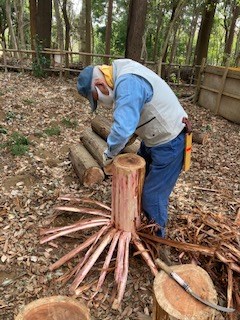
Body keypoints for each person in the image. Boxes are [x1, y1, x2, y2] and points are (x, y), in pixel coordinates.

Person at [77, 59, 191, 237]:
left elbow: (122, 129)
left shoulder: (128, 82)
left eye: (97, 97)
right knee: (135, 179)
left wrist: (109, 154)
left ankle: (158, 243)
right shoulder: (122, 74)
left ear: (99, 83)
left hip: (169, 142)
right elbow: (132, 119)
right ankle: (137, 221)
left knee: (152, 197)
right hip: (154, 137)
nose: (101, 103)